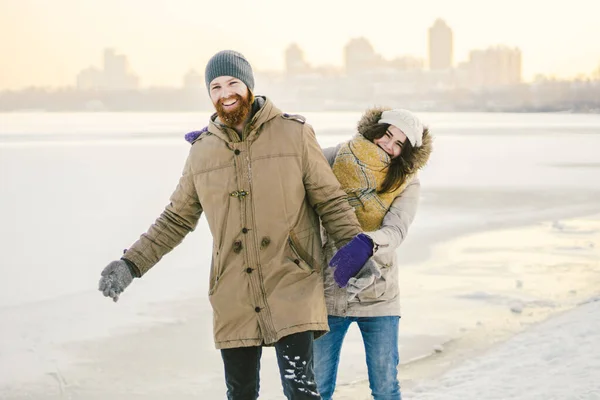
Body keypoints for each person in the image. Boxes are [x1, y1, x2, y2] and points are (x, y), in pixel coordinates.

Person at [97, 50, 375, 400]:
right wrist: (131, 263)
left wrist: (357, 249)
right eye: (215, 86)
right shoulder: (202, 151)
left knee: (300, 389)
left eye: (232, 83)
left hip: (291, 279)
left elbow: (329, 199)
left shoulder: (294, 134)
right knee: (240, 393)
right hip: (233, 289)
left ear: (249, 86)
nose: (225, 93)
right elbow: (175, 218)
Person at [313, 107, 433, 400]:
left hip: (378, 293)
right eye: (387, 134)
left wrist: (366, 243)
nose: (388, 145)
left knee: (385, 387)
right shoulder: (336, 157)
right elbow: (292, 160)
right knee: (316, 389)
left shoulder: (406, 182)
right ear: (375, 130)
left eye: (399, 144)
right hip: (328, 290)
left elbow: (396, 231)